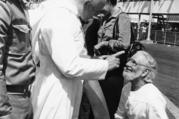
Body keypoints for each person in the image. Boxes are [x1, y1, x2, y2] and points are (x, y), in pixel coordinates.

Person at [30, 0, 124, 119]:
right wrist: (105, 65)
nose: (95, 16)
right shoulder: (60, 17)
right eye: (96, 11)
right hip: (57, 97)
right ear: (87, 4)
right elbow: (69, 66)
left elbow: (70, 56)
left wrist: (94, 60)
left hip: (63, 92)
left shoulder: (63, 15)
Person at [93, 0, 131, 118]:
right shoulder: (104, 18)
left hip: (115, 69)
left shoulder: (122, 17)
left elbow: (125, 44)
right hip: (103, 66)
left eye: (102, 5)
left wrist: (105, 43)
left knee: (109, 105)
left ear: (109, 2)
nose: (100, 8)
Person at [0, 0, 36, 119]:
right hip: (10, 101)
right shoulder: (3, 7)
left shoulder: (19, 6)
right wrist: (3, 110)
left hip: (24, 98)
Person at [115, 50, 168, 119]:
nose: (127, 64)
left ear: (145, 72)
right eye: (129, 60)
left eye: (134, 63)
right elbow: (120, 116)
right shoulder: (127, 88)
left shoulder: (153, 98)